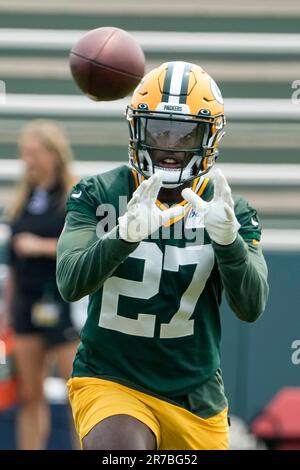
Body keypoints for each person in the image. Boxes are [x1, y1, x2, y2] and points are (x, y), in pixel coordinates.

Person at [57, 62, 269, 450]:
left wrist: (229, 243)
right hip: (112, 379)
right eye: (157, 130)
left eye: (185, 133)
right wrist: (123, 235)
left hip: (195, 396)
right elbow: (70, 282)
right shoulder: (99, 193)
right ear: (136, 128)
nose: (169, 146)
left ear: (210, 137)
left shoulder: (229, 210)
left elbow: (252, 306)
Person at [2, 120, 79, 449]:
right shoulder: (22, 199)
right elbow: (14, 264)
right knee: (30, 395)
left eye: (34, 153)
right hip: (26, 307)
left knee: (78, 393)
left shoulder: (74, 197)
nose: (28, 161)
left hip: (64, 305)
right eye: (25, 154)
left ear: (53, 155)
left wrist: (40, 246)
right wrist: (7, 309)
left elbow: (83, 248)